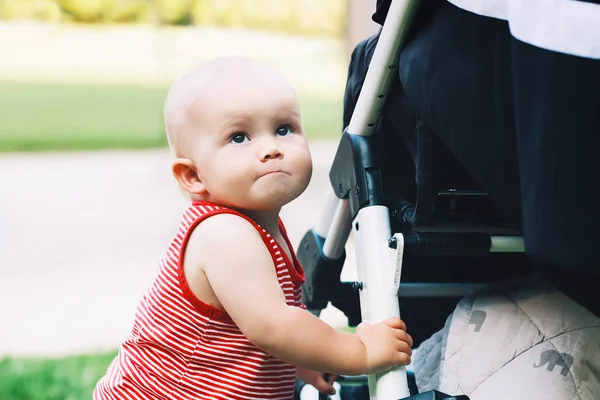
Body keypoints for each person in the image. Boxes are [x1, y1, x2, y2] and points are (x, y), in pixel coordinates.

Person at [93, 56, 413, 400]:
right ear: (193, 176)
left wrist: (298, 361)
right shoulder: (225, 234)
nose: (271, 148)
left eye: (283, 129)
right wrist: (359, 352)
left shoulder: (255, 225)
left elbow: (247, 333)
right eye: (240, 137)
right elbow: (275, 326)